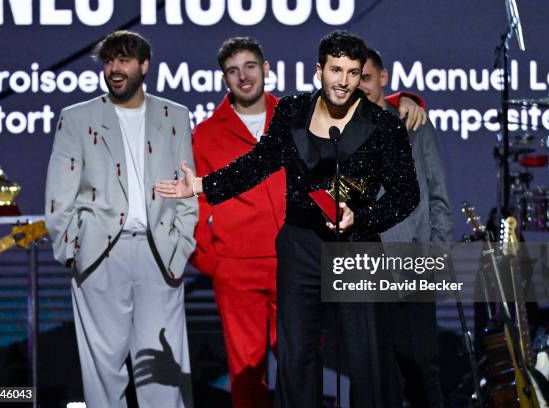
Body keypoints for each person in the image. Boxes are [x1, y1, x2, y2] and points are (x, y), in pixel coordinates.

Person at [157, 30, 419, 407]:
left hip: (357, 246)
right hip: (301, 246)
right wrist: (202, 185)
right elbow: (259, 163)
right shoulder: (292, 112)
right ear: (319, 70)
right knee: (296, 356)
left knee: (366, 356)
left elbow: (407, 195)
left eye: (352, 72)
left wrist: (361, 217)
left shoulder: (383, 125)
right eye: (335, 70)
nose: (343, 81)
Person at [45, 31, 196, 408]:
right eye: (109, 61)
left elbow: (187, 188)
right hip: (98, 255)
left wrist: (182, 246)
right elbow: (58, 195)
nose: (115, 68)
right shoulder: (78, 118)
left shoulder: (174, 115)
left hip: (159, 253)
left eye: (124, 60)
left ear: (144, 65)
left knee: (161, 368)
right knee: (101, 369)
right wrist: (73, 251)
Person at [359, 47, 452, 407]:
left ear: (383, 78)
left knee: (421, 370)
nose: (361, 87)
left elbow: (439, 197)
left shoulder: (414, 123)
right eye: (354, 80)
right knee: (377, 376)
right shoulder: (342, 133)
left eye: (367, 78)